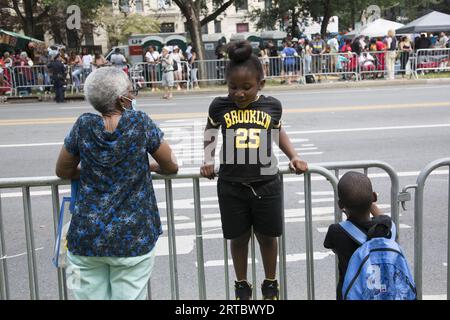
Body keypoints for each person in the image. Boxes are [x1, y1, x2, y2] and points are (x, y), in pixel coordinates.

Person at [55, 66, 178, 300]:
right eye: (131, 92)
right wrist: (145, 166)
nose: (133, 96)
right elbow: (171, 165)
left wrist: (96, 168)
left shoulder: (83, 125)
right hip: (133, 237)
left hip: (86, 237)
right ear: (122, 99)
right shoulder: (140, 122)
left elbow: (63, 169)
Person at [200, 41, 308, 300]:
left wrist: (293, 156)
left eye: (246, 88)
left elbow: (277, 133)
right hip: (231, 184)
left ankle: (270, 284)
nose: (238, 93)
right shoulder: (219, 106)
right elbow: (210, 132)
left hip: (266, 184)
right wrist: (208, 159)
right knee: (238, 239)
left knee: (268, 237)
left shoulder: (272, 106)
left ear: (260, 84)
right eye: (233, 87)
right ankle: (241, 285)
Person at [323, 171, 390, 300]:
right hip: (382, 293)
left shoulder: (336, 231)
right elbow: (382, 217)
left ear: (340, 205)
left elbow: (331, 246)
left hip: (351, 294)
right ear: (374, 198)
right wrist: (370, 201)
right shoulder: (386, 228)